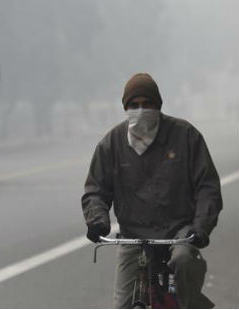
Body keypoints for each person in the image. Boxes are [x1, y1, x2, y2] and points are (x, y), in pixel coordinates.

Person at [81, 73, 223, 308]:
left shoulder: (186, 136)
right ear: (125, 108)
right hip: (133, 236)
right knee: (123, 305)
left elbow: (207, 187)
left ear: (158, 105)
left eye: (147, 104)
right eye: (134, 105)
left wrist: (200, 227)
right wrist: (97, 220)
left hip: (178, 231)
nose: (141, 110)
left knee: (183, 260)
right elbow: (95, 189)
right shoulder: (111, 143)